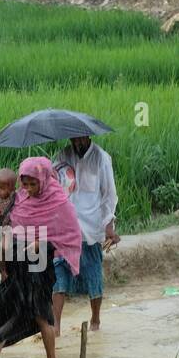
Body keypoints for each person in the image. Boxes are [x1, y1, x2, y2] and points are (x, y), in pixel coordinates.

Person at [0, 157, 82, 358]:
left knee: (42, 313)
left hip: (39, 267)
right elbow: (3, 217)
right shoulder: (20, 198)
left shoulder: (58, 202)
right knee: (4, 311)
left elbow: (67, 233)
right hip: (15, 266)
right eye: (24, 184)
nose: (29, 189)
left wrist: (40, 242)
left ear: (43, 179)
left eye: (33, 184)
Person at [52, 135, 119, 334]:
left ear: (88, 136)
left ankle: (96, 320)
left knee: (93, 276)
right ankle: (55, 326)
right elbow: (52, 184)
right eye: (73, 139)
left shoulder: (101, 158)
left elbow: (109, 195)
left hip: (91, 228)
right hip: (64, 227)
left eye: (80, 139)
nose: (77, 144)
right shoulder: (62, 156)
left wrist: (109, 226)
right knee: (59, 275)